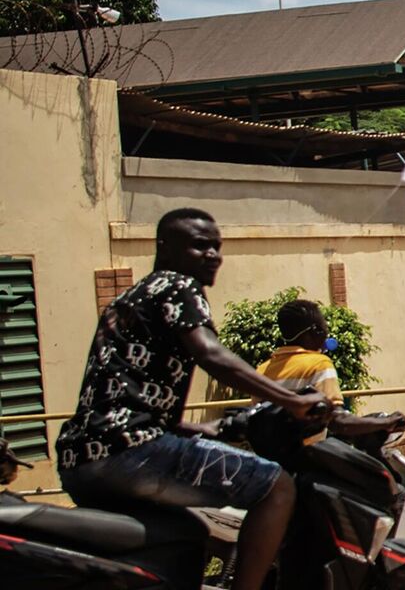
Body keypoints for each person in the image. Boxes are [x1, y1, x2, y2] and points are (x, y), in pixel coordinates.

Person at [56, 209, 331, 590]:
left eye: (217, 247)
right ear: (165, 249)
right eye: (200, 246)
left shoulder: (128, 299)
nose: (212, 255)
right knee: (277, 487)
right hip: (131, 451)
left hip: (80, 458)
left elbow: (120, 397)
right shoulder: (177, 286)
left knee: (187, 531)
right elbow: (211, 355)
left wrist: (200, 428)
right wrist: (291, 401)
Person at [259, 299, 405, 437]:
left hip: (268, 460)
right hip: (309, 459)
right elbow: (338, 422)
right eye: (325, 327)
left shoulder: (262, 370)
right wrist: (387, 422)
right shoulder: (318, 364)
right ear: (316, 331)